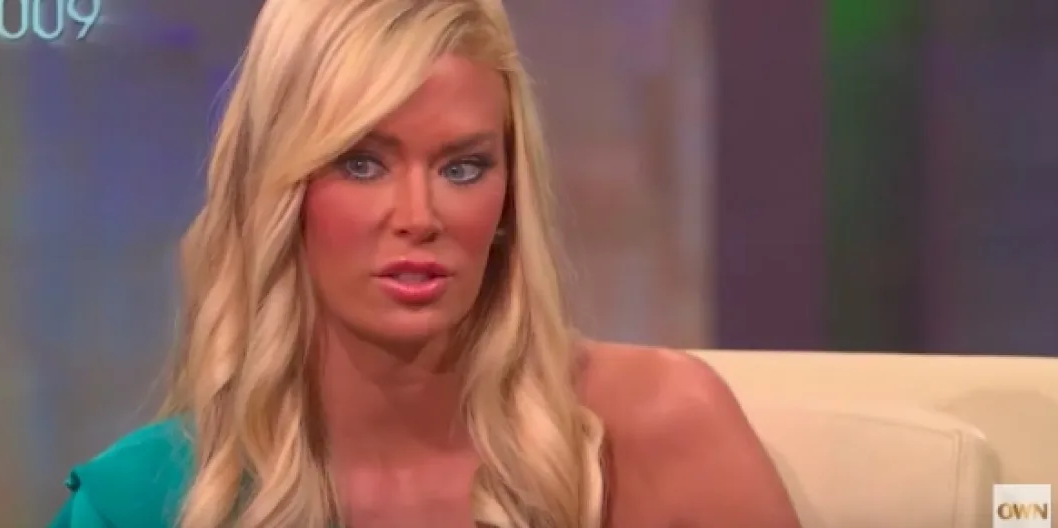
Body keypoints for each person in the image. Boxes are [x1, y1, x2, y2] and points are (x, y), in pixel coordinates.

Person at [50, 0, 801, 526]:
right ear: (280, 190)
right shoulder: (146, 500)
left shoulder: (659, 431)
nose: (419, 216)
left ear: (509, 197)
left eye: (463, 168)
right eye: (363, 163)